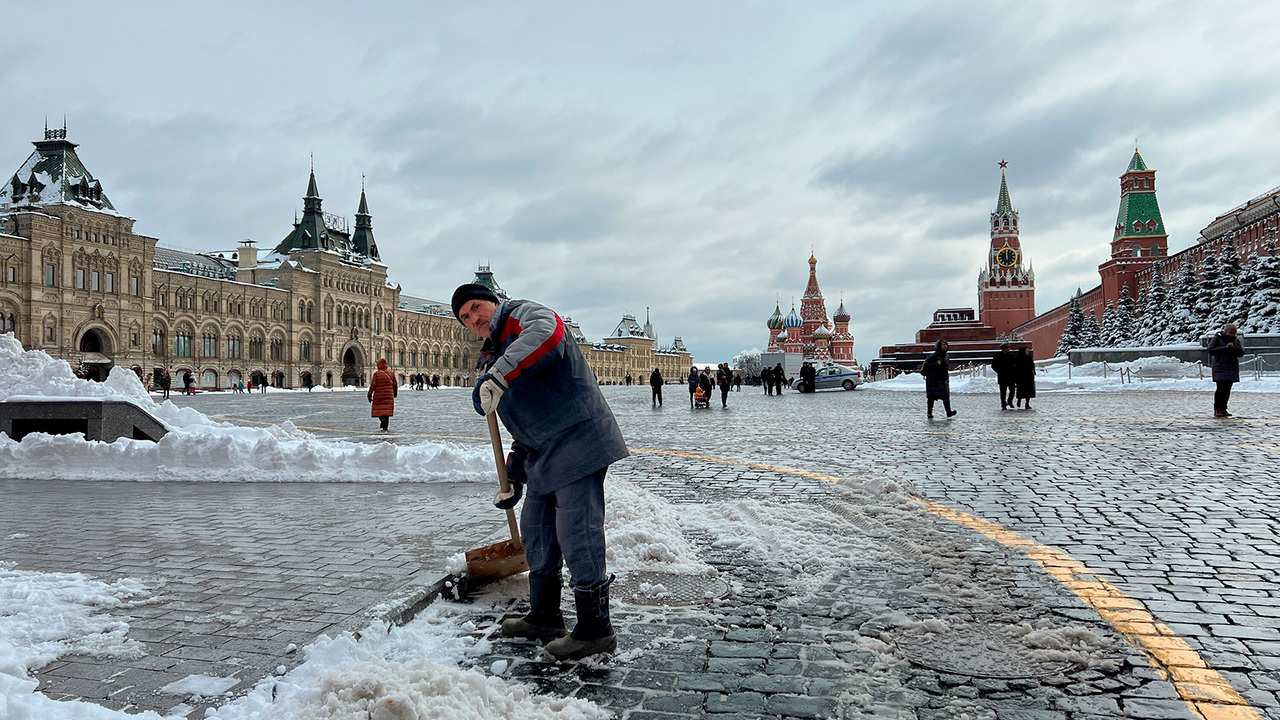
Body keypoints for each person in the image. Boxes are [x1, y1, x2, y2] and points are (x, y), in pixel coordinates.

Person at [453, 282, 628, 662]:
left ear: (493, 302)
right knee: (537, 531)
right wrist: (512, 475)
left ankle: (596, 630)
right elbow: (523, 429)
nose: (474, 318)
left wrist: (498, 375)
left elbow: (550, 333)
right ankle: (545, 616)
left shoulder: (522, 315)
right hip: (544, 454)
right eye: (465, 317)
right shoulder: (494, 353)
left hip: (578, 439)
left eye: (476, 307)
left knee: (576, 532)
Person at [1208, 323, 1245, 417]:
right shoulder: (1218, 338)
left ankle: (1224, 408)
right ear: (1226, 331)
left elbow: (1241, 353)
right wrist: (1225, 347)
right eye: (1230, 332)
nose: (1232, 334)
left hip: (1231, 367)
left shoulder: (1235, 340)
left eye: (1234, 333)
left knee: (1227, 389)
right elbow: (1211, 350)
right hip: (1220, 366)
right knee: (1221, 388)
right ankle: (1218, 408)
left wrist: (1235, 349)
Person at [921, 339, 956, 419]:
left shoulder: (946, 356)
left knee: (946, 397)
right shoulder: (933, 356)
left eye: (945, 345)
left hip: (943, 379)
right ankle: (929, 413)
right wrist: (936, 364)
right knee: (931, 397)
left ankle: (948, 412)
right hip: (933, 380)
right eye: (943, 345)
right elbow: (926, 365)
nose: (945, 346)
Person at [367, 358, 397, 432]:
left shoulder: (376, 374)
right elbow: (395, 385)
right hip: (389, 395)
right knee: (386, 410)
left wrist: (369, 395)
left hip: (379, 395)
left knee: (380, 410)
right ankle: (385, 426)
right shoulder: (391, 373)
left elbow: (373, 386)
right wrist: (395, 394)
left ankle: (382, 420)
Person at [991, 343, 1016, 410]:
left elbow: (1015, 365)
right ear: (1004, 349)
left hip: (1011, 376)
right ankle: (1003, 404)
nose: (1009, 349)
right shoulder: (997, 356)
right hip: (1002, 376)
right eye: (1008, 348)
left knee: (1012, 390)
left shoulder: (1011, 356)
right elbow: (993, 366)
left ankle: (1010, 401)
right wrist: (999, 371)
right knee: (1003, 392)